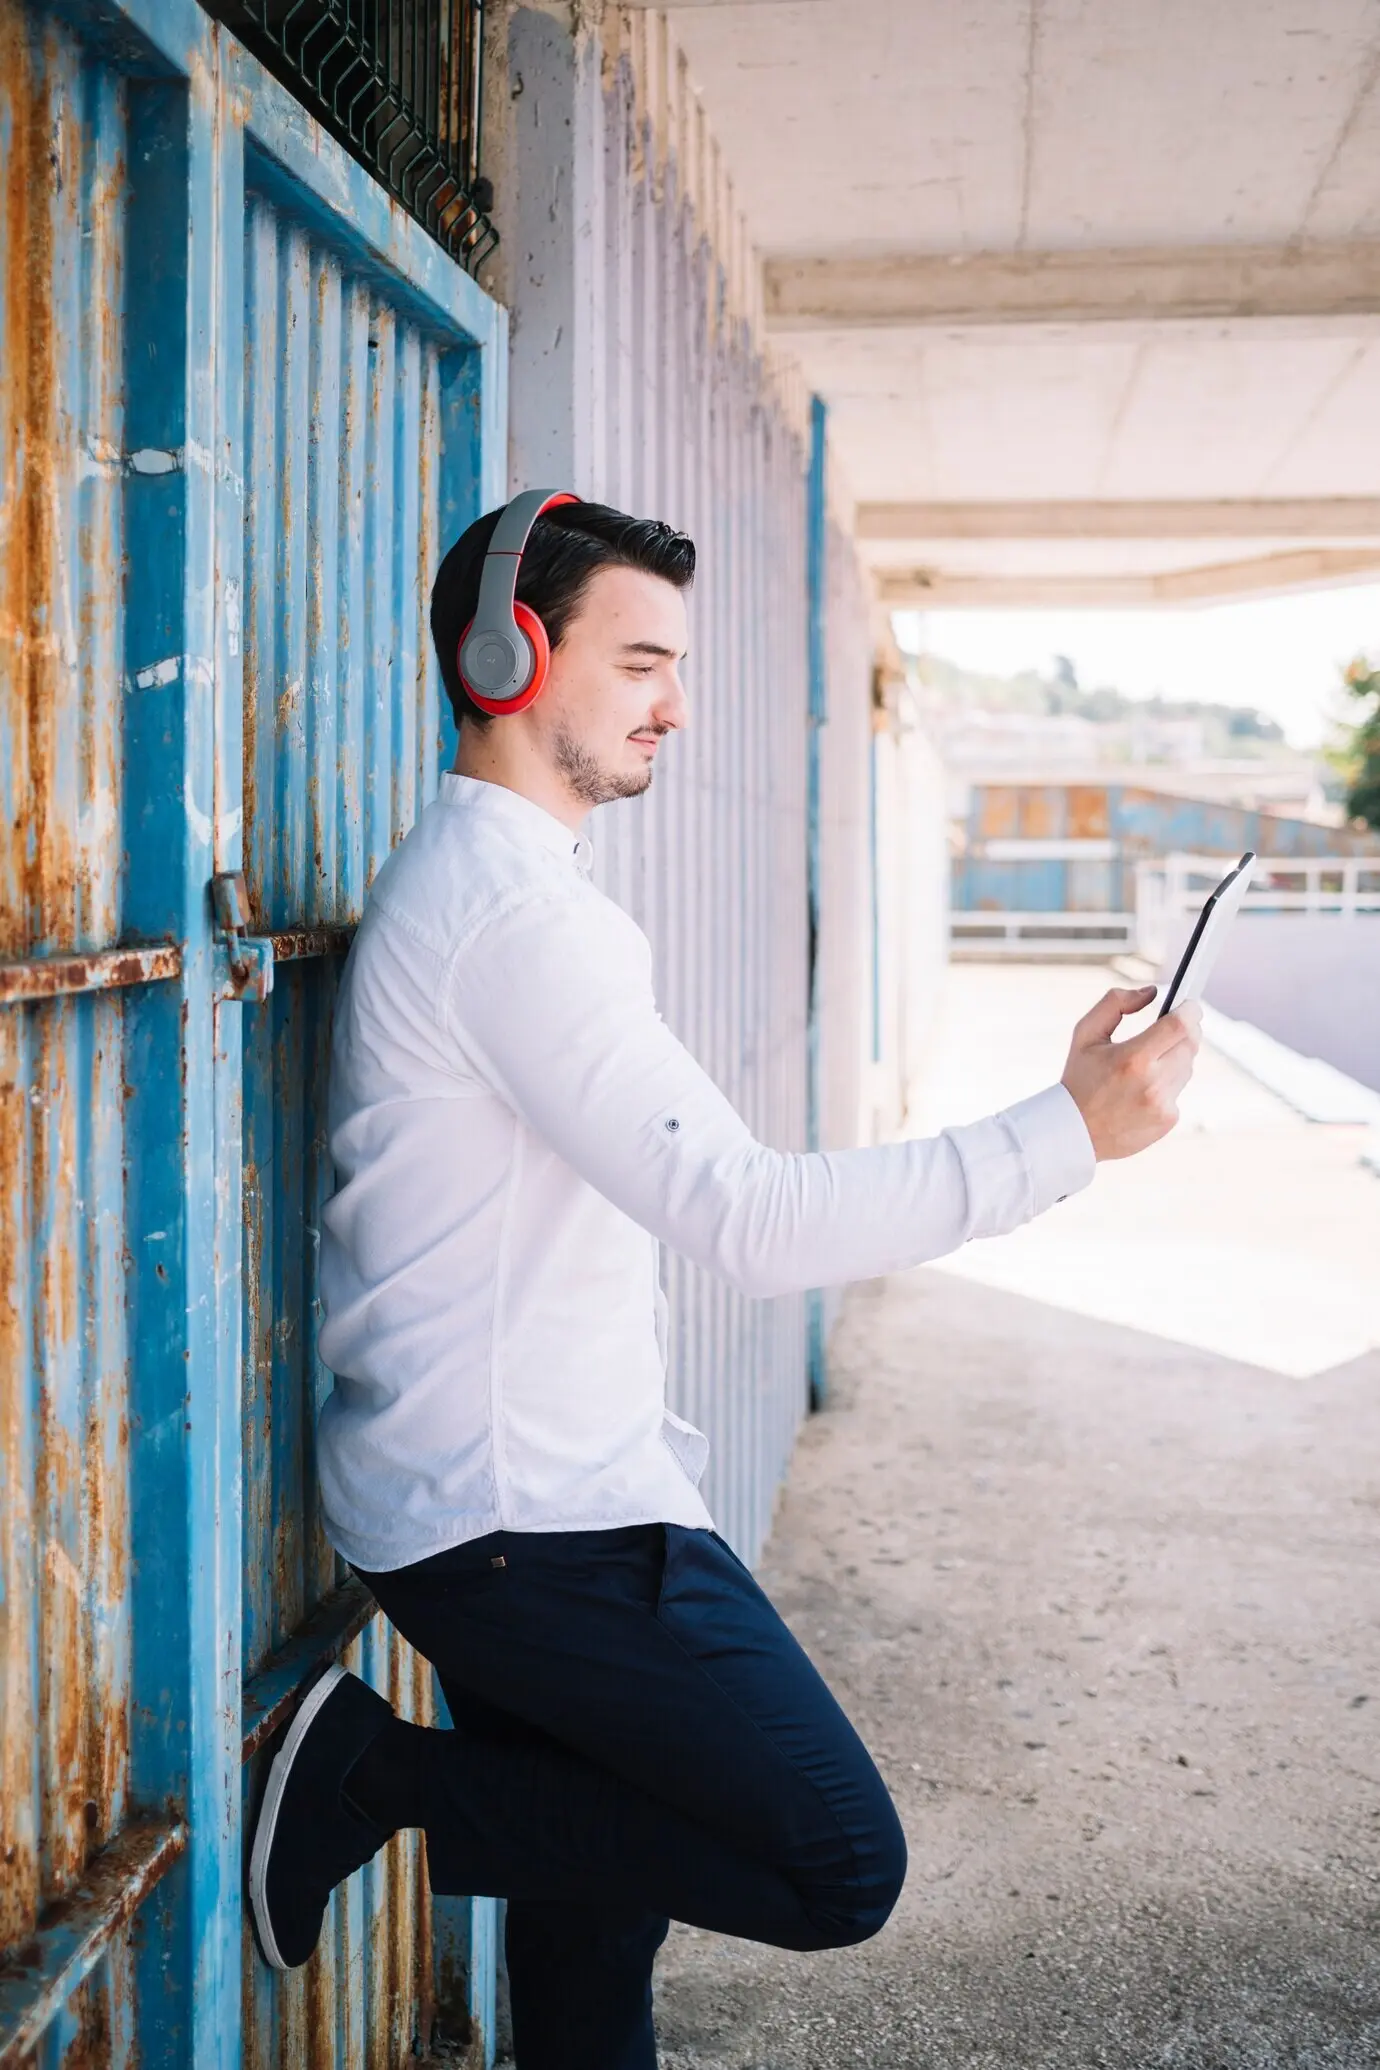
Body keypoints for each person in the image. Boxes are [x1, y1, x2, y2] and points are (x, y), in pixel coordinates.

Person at [247, 496, 1202, 2068]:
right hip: (525, 1531)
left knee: (588, 1949)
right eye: (640, 662)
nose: (675, 704)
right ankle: (376, 1778)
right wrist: (1063, 1137)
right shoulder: (512, 921)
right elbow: (747, 1217)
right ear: (509, 656)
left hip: (534, 1503)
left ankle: (394, 1790)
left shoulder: (518, 897)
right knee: (838, 1858)